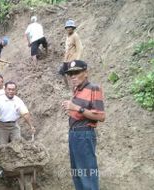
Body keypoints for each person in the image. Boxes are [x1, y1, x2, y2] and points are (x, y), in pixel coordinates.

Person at [62, 60, 105, 190]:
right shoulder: (77, 89)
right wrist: (71, 109)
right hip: (74, 134)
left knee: (87, 172)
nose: (73, 76)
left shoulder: (94, 88)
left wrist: (77, 108)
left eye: (76, 72)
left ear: (86, 73)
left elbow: (101, 116)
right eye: (70, 74)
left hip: (84, 134)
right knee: (77, 172)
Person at [60, 19, 83, 87]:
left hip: (72, 59)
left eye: (70, 27)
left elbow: (80, 48)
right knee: (62, 72)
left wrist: (77, 60)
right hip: (67, 59)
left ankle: (76, 87)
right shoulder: (68, 36)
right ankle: (68, 87)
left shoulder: (75, 36)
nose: (69, 28)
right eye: (67, 27)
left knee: (73, 74)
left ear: (73, 28)